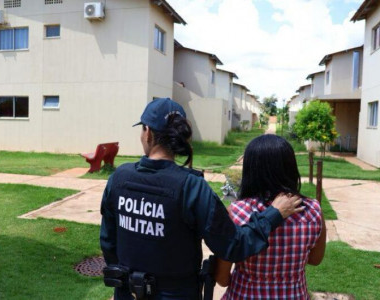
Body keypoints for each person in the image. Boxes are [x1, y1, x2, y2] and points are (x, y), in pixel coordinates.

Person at [100, 98, 304, 300]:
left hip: (128, 292)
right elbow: (233, 245)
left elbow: (108, 242)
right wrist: (273, 214)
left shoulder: (119, 178)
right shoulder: (191, 187)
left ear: (148, 132)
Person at [215, 134, 327, 300]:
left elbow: (222, 278)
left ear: (251, 169)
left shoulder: (237, 212)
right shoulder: (313, 210)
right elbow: (315, 259)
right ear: (290, 167)